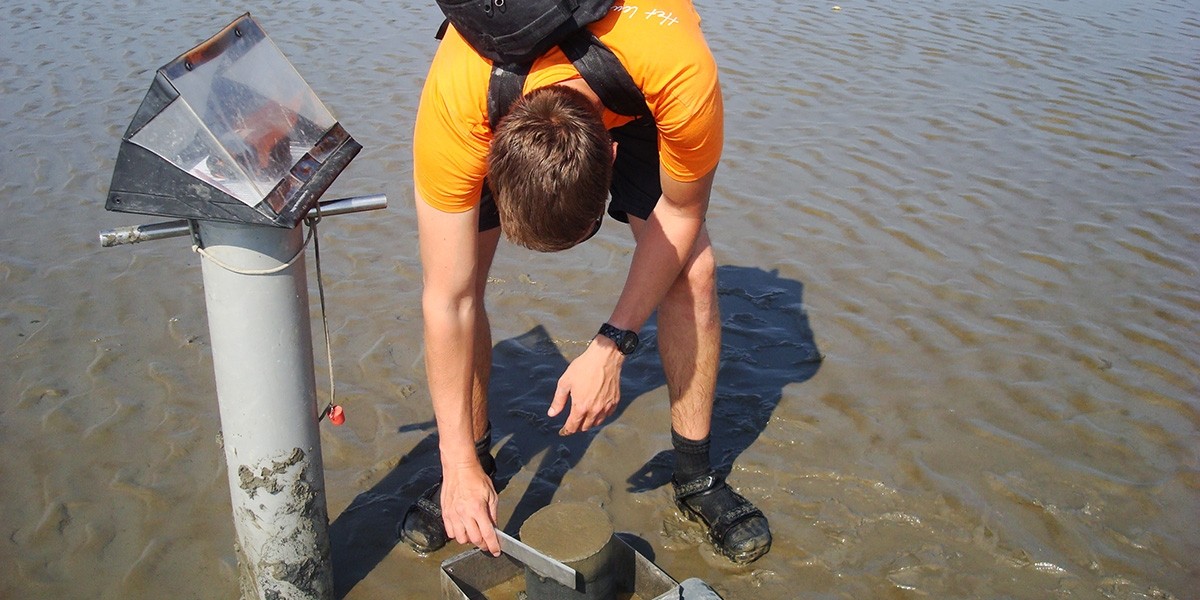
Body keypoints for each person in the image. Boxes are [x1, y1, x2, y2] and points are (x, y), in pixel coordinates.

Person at [401, 0, 772, 565]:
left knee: (692, 272)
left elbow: (681, 211)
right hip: (494, 88)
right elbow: (446, 300)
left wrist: (612, 345)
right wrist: (454, 463)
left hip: (634, 80)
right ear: (491, 163)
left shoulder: (679, 73)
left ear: (613, 152)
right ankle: (474, 467)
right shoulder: (458, 107)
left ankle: (697, 479)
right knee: (463, 273)